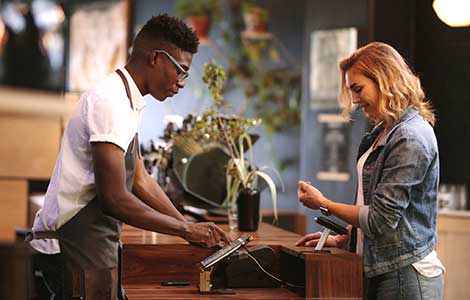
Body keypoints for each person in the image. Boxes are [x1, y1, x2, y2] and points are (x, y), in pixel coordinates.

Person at [28, 14, 229, 300]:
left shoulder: (125, 100)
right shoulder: (110, 102)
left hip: (91, 246)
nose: (182, 83)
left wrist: (188, 227)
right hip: (71, 247)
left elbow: (141, 180)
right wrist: (184, 229)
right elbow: (113, 198)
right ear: (156, 58)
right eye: (181, 71)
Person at [296, 42, 444, 300]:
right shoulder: (382, 132)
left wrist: (323, 203)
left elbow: (380, 219)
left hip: (405, 275)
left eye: (358, 89)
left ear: (384, 80)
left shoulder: (410, 137)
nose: (354, 100)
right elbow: (374, 204)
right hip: (384, 269)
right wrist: (348, 239)